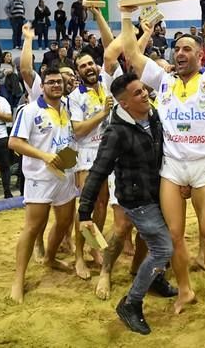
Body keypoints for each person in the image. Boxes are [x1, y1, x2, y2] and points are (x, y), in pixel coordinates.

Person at [120, 0, 205, 327]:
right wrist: (124, 18)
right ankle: (186, 289)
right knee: (173, 237)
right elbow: (132, 56)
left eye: (188, 48)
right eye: (177, 48)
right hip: (172, 168)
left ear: (201, 55)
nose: (180, 53)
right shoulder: (163, 81)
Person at [78, 72, 173, 335]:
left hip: (159, 192)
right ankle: (131, 304)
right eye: (137, 93)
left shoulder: (152, 115)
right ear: (124, 103)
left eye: (144, 90)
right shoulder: (116, 132)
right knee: (163, 249)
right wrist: (84, 210)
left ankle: (155, 279)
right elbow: (98, 170)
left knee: (159, 244)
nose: (145, 94)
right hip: (136, 200)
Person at [8, 67, 78, 303]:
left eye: (59, 82)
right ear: (42, 85)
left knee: (65, 221)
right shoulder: (29, 110)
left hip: (66, 174)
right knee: (33, 227)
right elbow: (14, 142)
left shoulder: (68, 107)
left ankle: (49, 258)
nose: (56, 85)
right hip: (40, 177)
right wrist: (43, 155)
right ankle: (18, 279)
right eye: (51, 82)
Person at [68, 52, 114, 279]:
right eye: (82, 66)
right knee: (86, 205)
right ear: (78, 72)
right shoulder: (75, 96)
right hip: (86, 154)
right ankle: (78, 255)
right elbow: (78, 130)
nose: (88, 68)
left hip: (108, 151)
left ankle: (94, 246)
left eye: (90, 63)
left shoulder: (107, 85)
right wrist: (103, 113)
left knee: (103, 204)